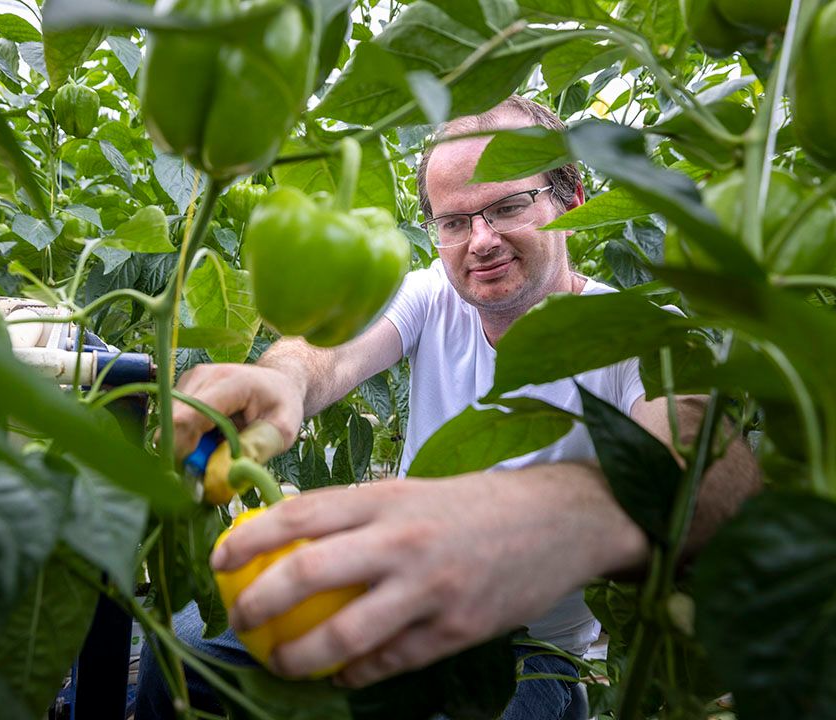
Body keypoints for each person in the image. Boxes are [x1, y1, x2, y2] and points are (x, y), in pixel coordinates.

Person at [135, 95, 760, 720]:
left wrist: (545, 511)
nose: (480, 241)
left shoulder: (640, 333)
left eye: (508, 206)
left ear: (573, 202)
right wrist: (284, 378)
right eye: (454, 221)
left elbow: (711, 470)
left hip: (530, 650)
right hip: (393, 593)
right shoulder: (432, 298)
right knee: (181, 647)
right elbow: (330, 353)